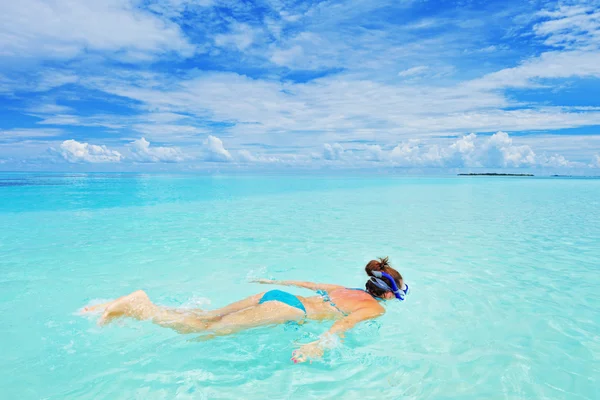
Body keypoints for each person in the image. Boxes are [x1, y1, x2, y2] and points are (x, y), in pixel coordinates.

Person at [82, 257, 408, 363]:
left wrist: (269, 280)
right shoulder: (375, 310)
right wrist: (316, 345)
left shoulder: (343, 288)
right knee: (204, 331)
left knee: (207, 317)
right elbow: (344, 325)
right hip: (288, 311)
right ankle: (138, 306)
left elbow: (306, 284)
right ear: (389, 295)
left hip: (275, 294)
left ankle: (124, 305)